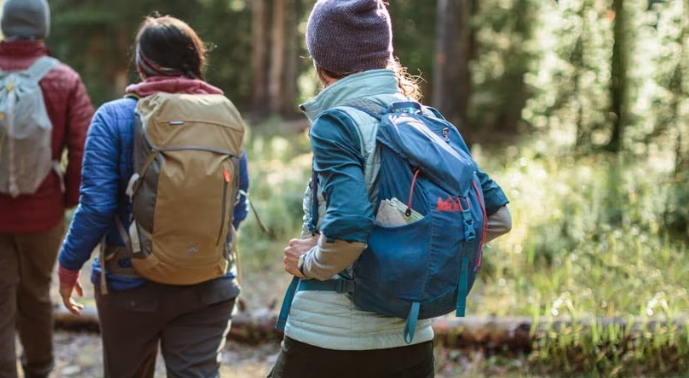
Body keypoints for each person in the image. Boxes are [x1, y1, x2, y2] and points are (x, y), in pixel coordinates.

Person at [269, 1, 512, 377]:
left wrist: (307, 262)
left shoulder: (337, 124)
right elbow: (497, 217)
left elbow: (349, 228)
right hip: (411, 340)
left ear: (321, 60)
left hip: (328, 339)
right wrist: (409, 260)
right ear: (385, 54)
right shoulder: (430, 123)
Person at [57, 16, 250, 378]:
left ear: (143, 63)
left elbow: (96, 206)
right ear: (195, 61)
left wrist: (69, 266)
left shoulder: (113, 117)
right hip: (209, 285)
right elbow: (237, 204)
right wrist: (194, 246)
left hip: (130, 284)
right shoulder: (223, 117)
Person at [0, 0, 94, 377]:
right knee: (37, 294)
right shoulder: (63, 78)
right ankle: (39, 369)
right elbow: (83, 146)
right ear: (43, 26)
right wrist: (68, 198)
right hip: (43, 211)